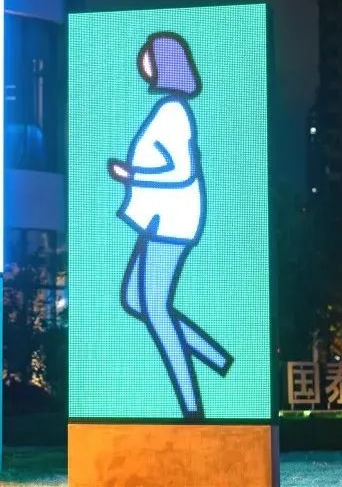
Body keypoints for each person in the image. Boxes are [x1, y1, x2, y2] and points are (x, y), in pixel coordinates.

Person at [108, 32, 231, 419]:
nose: (143, 62)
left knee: (156, 308)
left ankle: (191, 407)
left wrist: (133, 175)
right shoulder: (168, 108)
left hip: (172, 223)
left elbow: (182, 170)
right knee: (134, 299)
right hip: (159, 221)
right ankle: (217, 359)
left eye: (149, 56)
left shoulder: (174, 111)